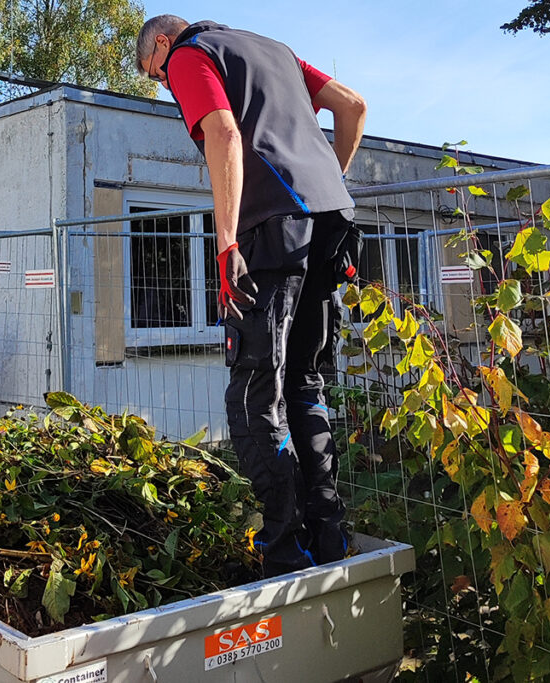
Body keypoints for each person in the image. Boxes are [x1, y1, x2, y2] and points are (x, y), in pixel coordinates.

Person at [136, 16, 367, 577]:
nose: (167, 85)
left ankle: (283, 550)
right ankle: (328, 538)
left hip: (271, 227)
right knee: (303, 383)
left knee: (253, 392)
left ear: (163, 43)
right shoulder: (275, 50)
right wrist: (324, 186)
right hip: (330, 219)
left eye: (156, 74)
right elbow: (353, 106)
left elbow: (223, 133)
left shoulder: (191, 54)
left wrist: (225, 240)